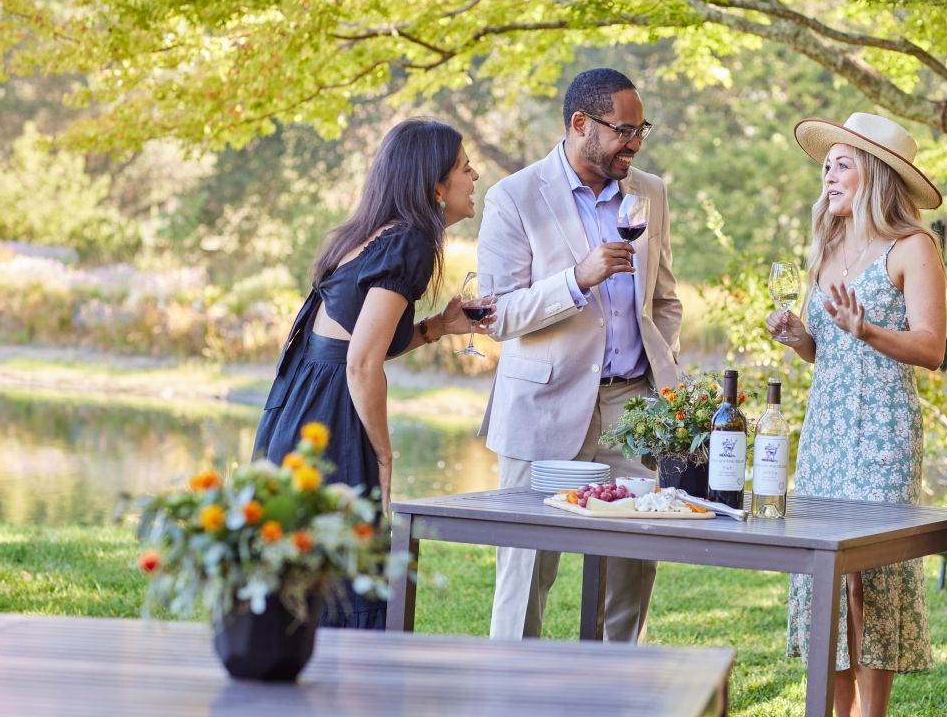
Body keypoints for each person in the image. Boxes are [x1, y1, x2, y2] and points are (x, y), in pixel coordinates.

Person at [253, 118, 494, 629]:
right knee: (350, 571)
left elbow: (352, 341)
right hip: (331, 416)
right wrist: (383, 453)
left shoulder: (369, 235)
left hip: (301, 404)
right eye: (463, 167)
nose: (474, 175)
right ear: (434, 184)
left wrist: (435, 328)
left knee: (306, 564)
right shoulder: (411, 242)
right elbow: (361, 362)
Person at [478, 68, 682, 643]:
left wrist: (664, 375)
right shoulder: (513, 196)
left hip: (633, 408)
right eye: (624, 130)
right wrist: (576, 279)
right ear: (580, 124)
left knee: (632, 564)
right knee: (527, 569)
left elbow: (663, 300)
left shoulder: (651, 192)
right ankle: (511, 696)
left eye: (642, 129)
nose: (635, 142)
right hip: (542, 404)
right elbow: (497, 315)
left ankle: (616, 691)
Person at [767, 113, 946, 717]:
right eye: (827, 164)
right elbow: (830, 353)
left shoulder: (913, 247)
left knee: (871, 577)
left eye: (843, 163)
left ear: (876, 174)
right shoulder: (828, 245)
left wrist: (866, 328)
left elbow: (929, 348)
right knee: (830, 578)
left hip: (883, 432)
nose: (828, 174)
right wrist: (800, 338)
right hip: (826, 431)